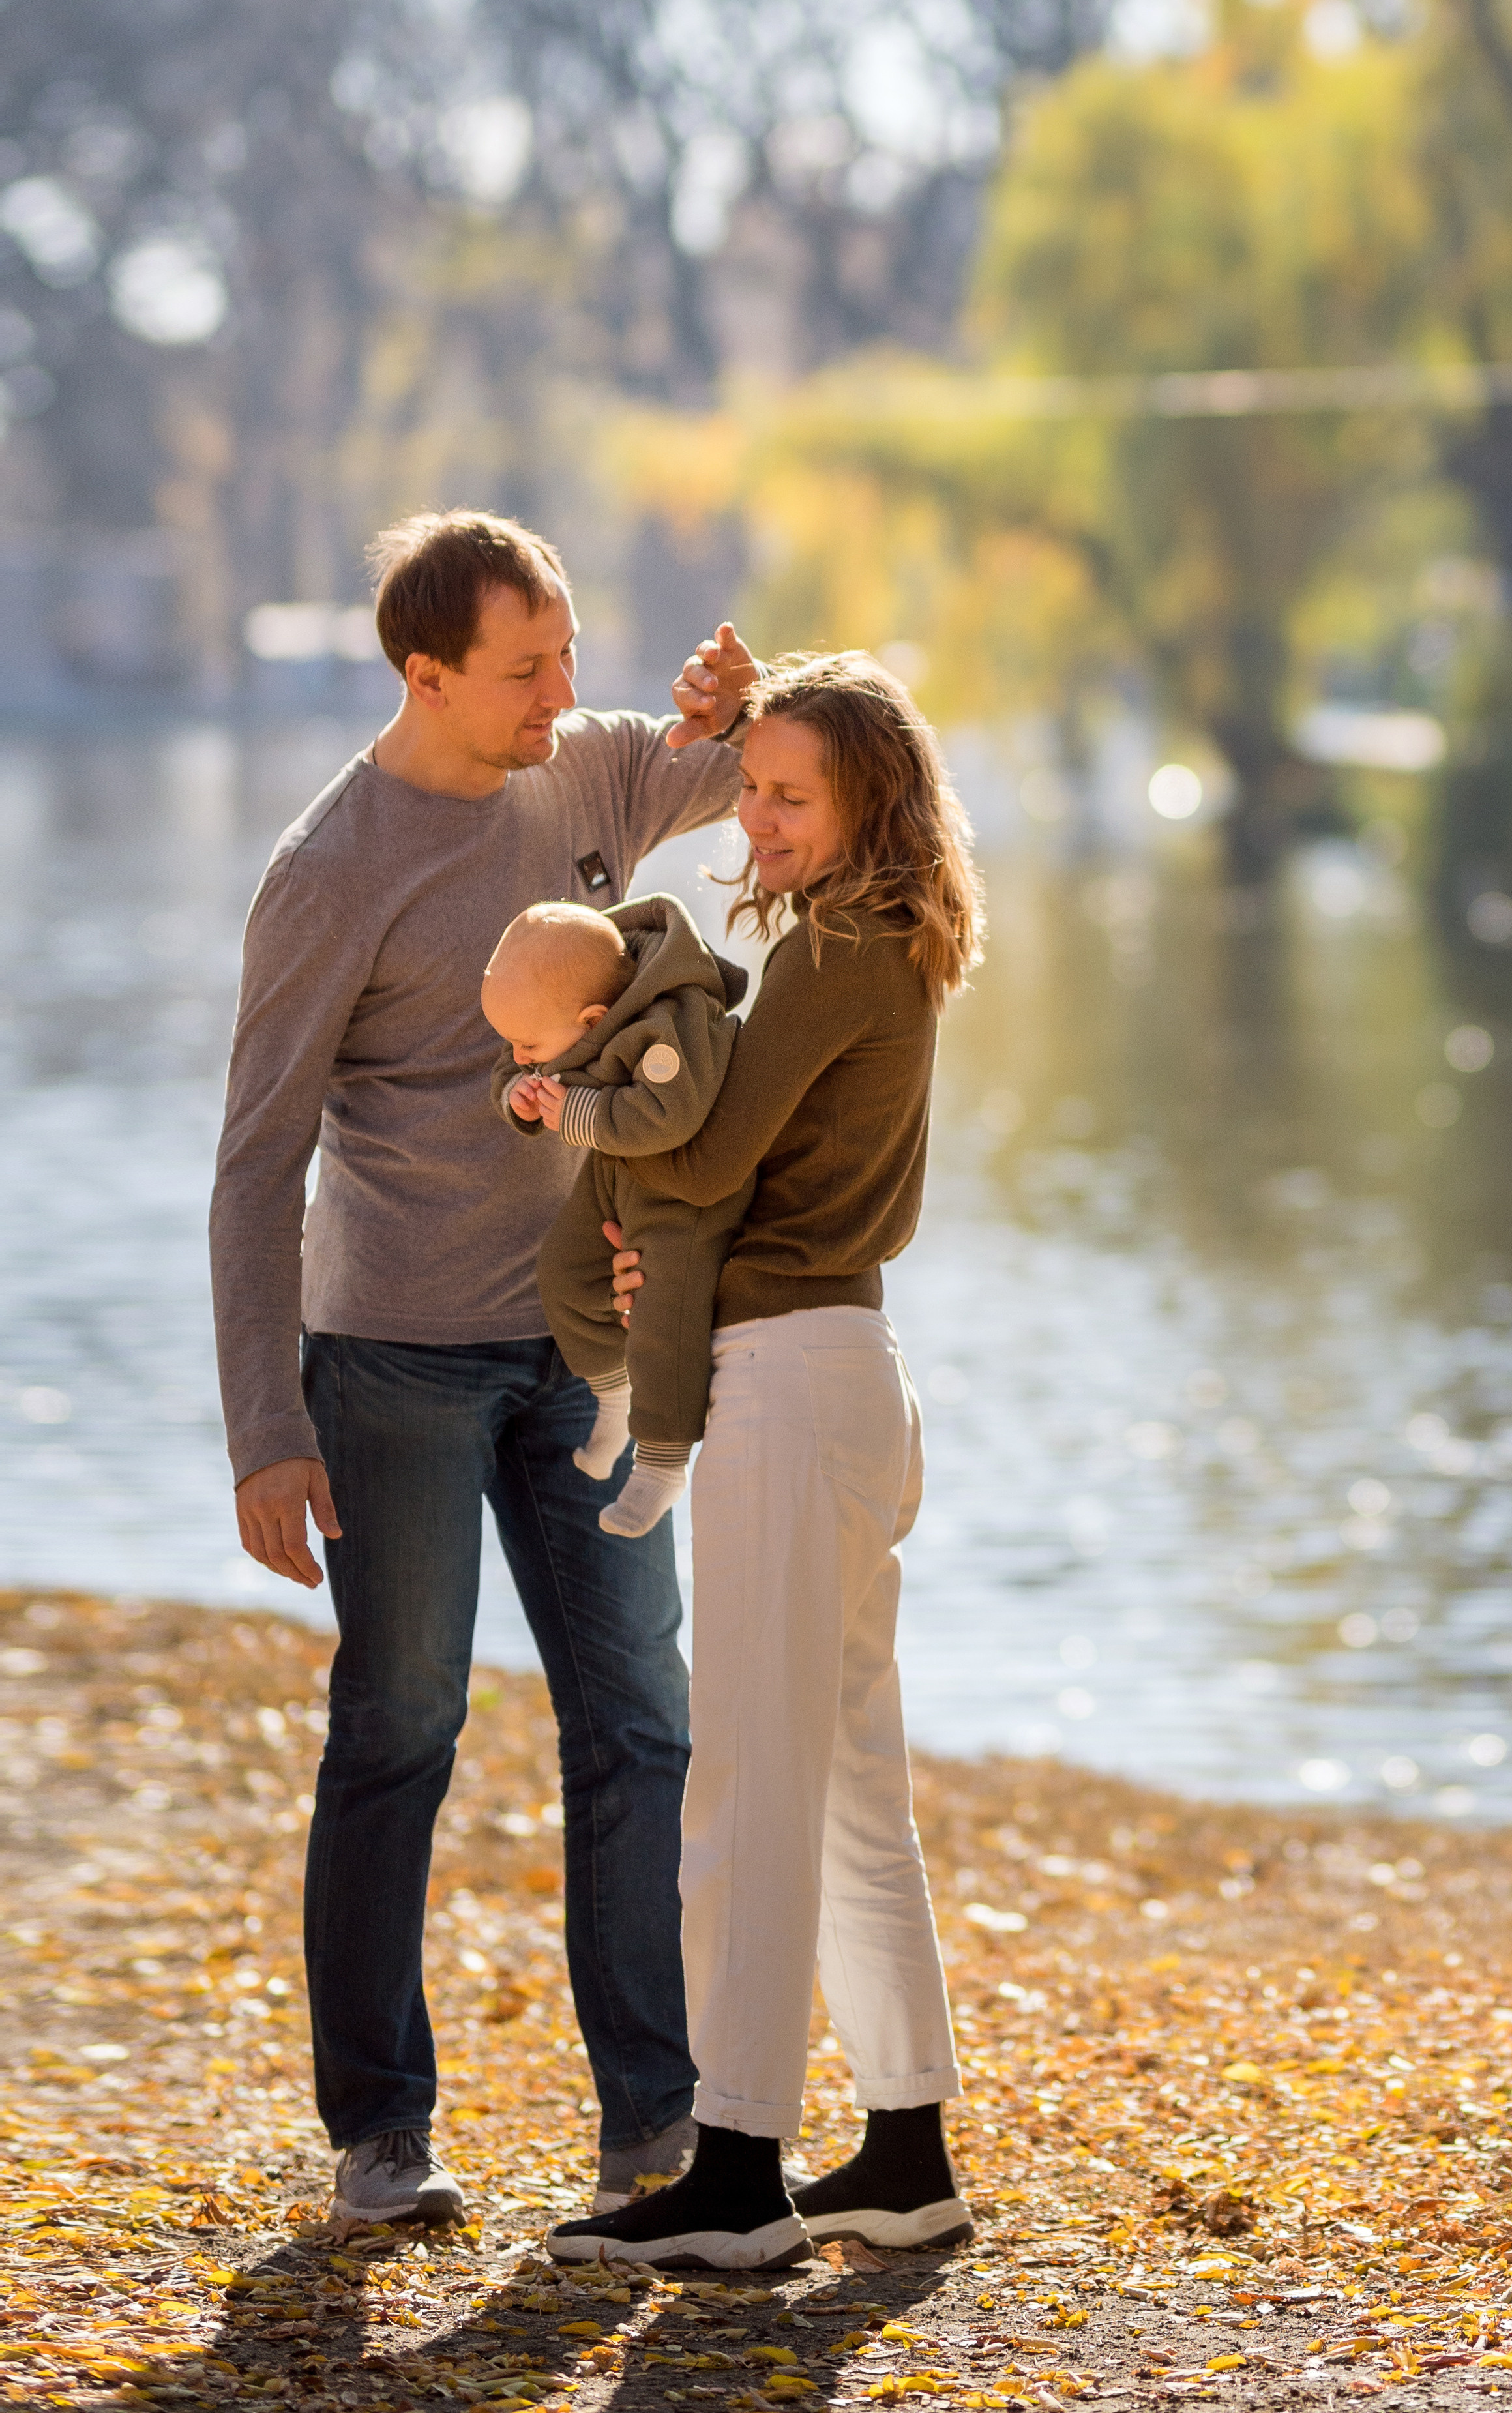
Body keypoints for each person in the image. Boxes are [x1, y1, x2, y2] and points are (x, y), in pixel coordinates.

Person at [209, 507, 758, 2227]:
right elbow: (256, 1160)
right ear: (424, 672)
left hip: (582, 1351)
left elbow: (770, 776)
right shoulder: (328, 871)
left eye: (571, 651)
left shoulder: (584, 770)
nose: (563, 691)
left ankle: (653, 2126)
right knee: (400, 1724)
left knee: (642, 1722)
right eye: (528, 667)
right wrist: (264, 1425)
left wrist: (739, 699)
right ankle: (380, 2129)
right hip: (393, 1359)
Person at [539, 651, 986, 2272]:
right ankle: (905, 2150)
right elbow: (741, 1163)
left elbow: (708, 1151)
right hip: (846, 1371)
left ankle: (734, 2165)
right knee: (851, 1780)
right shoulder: (888, 942)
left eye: (794, 794)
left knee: (742, 1779)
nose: (760, 817)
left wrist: (584, 1121)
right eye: (752, 787)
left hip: (789, 1383)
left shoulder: (830, 950)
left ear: (872, 800)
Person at [481, 892, 753, 1537]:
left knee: (663, 1306)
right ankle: (612, 1392)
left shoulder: (670, 1021)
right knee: (566, 1269)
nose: (520, 1054)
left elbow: (672, 1113)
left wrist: (580, 1112)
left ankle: (661, 1460)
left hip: (679, 1184)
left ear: (593, 1020)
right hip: (616, 1165)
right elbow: (518, 1060)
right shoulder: (565, 1011)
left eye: (527, 1045)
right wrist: (516, 1093)